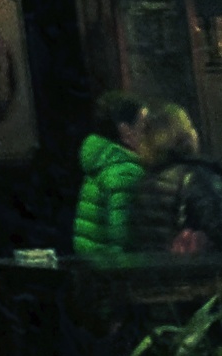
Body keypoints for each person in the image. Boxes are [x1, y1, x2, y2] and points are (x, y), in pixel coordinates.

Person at [72, 89, 170, 262]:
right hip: (118, 273)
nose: (150, 134)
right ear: (125, 131)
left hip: (94, 266)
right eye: (144, 126)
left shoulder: (100, 164)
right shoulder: (126, 172)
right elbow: (125, 237)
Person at [137, 104, 222, 255]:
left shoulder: (145, 180)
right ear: (184, 135)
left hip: (158, 273)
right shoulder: (195, 176)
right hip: (195, 273)